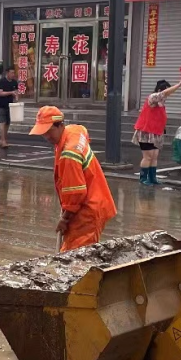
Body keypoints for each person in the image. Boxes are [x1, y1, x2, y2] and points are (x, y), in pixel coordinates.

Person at [30, 106, 117, 252]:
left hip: (87, 212)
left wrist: (64, 220)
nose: (46, 137)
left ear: (60, 125)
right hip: (95, 202)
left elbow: (75, 194)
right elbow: (83, 130)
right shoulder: (74, 131)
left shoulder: (69, 154)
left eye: (49, 132)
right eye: (43, 133)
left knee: (74, 257)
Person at [132, 76, 181, 186]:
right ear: (160, 90)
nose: (167, 96)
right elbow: (164, 94)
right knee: (148, 156)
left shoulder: (161, 104)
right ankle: (143, 178)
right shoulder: (152, 98)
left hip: (156, 133)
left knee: (155, 156)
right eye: (166, 91)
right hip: (146, 132)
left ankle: (152, 178)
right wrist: (179, 85)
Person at [0, 67, 20, 149]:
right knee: (3, 122)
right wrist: (11, 93)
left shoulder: (14, 82)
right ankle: (3, 140)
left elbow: (16, 92)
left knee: (8, 123)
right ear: (7, 73)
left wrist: (16, 97)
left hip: (10, 105)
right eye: (11, 73)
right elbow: (0, 93)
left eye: (13, 73)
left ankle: (3, 139)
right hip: (0, 105)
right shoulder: (2, 81)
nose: (13, 74)